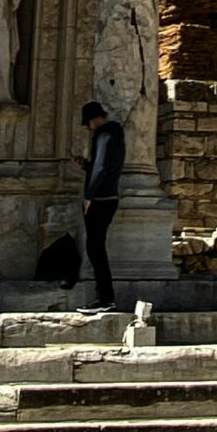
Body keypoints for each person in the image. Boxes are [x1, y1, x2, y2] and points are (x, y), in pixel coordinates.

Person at [80, 100, 125, 309]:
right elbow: (104, 166)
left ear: (94, 119)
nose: (88, 128)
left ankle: (105, 298)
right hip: (110, 198)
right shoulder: (117, 135)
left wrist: (89, 196)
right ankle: (105, 297)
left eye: (87, 123)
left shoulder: (104, 134)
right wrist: (85, 165)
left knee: (95, 248)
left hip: (100, 200)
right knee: (96, 247)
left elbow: (100, 169)